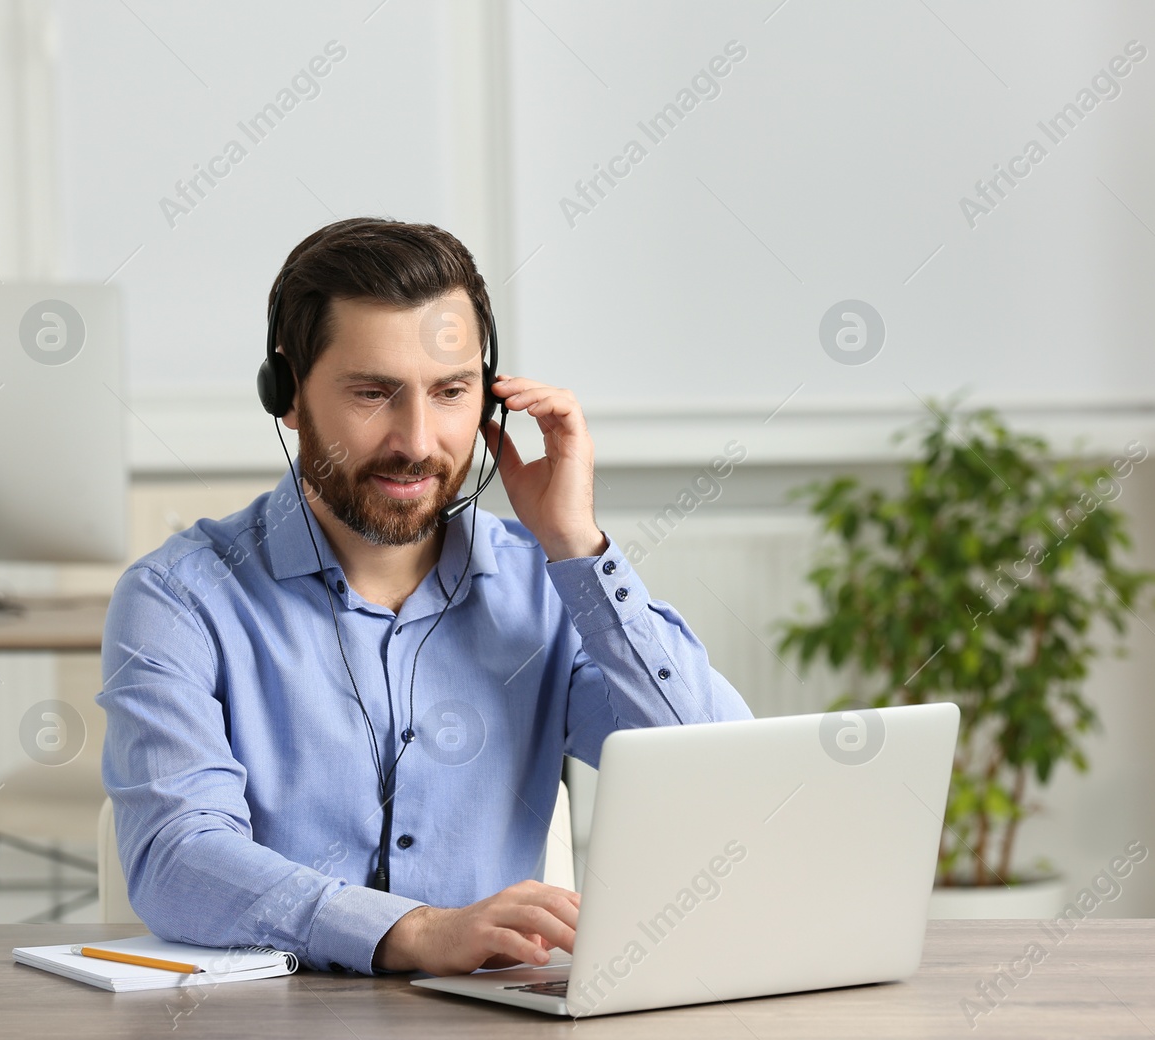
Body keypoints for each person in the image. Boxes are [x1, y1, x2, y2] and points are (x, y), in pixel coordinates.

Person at [97, 218, 753, 979]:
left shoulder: (546, 587)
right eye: (373, 393)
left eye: (450, 393)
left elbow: (717, 767)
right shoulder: (179, 599)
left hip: (493, 1039)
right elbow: (177, 858)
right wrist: (411, 930)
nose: (416, 438)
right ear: (288, 396)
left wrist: (577, 544)